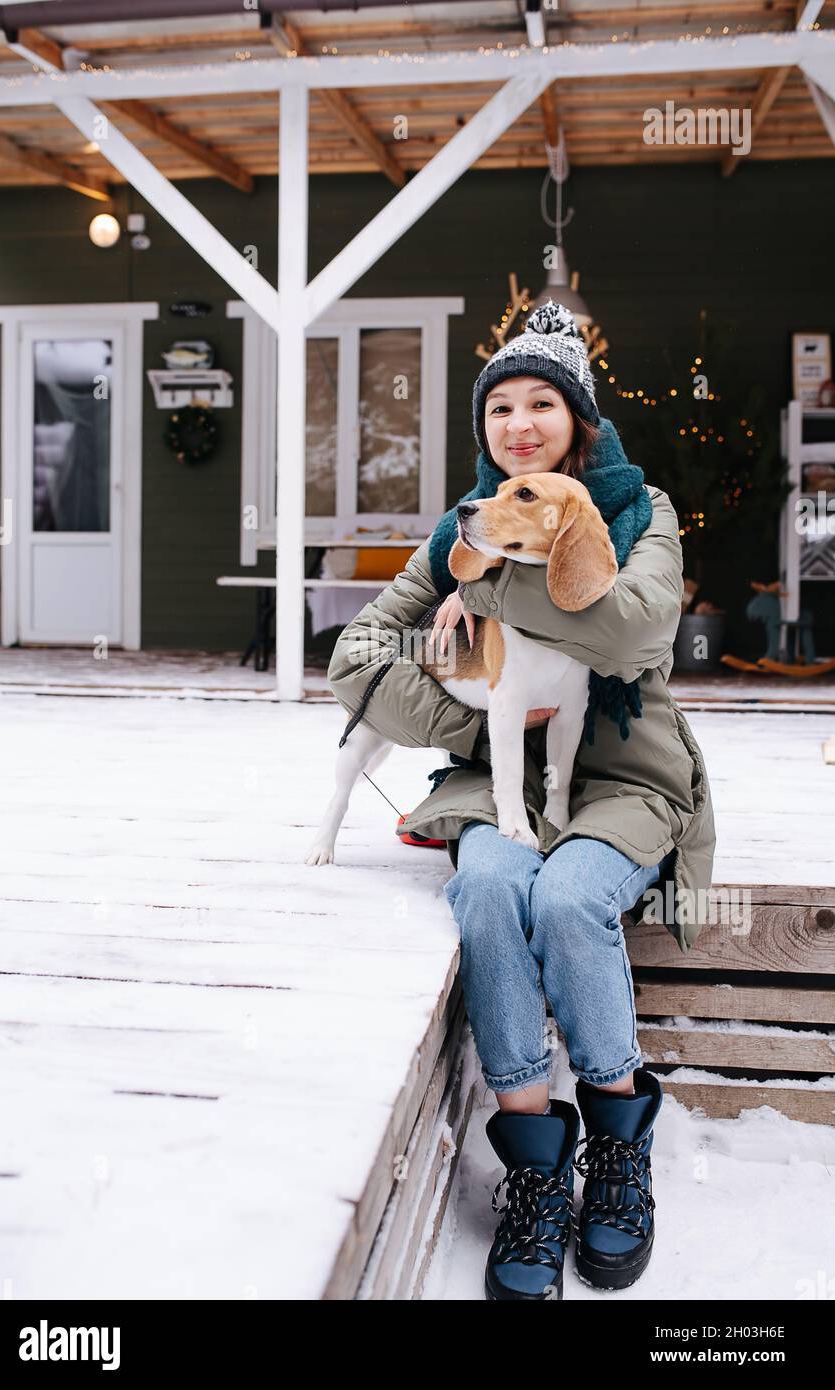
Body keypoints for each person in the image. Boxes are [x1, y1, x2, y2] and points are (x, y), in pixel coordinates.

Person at [327, 300, 716, 1302]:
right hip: (496, 783)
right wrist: (470, 721)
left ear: (577, 421)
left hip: (622, 780)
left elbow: (631, 637)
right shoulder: (462, 526)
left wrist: (494, 590)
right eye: (498, 408)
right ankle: (536, 1166)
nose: (517, 424)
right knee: (491, 891)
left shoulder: (641, 515)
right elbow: (356, 653)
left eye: (540, 402)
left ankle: (616, 1138)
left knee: (565, 899)